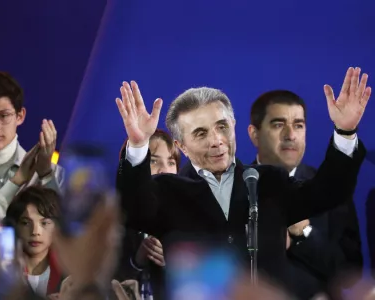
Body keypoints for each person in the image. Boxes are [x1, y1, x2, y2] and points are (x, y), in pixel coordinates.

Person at [115, 67, 369, 298]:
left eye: (222, 126)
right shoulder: (167, 191)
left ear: (234, 126)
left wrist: (345, 133)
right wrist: (138, 145)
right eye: (201, 133)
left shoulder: (268, 181)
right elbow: (132, 210)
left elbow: (328, 193)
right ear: (181, 146)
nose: (217, 140)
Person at [247, 90, 363, 299]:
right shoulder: (233, 188)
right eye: (278, 124)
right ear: (254, 134)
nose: (290, 135)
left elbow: (349, 273)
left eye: (298, 125)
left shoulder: (333, 189)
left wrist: (305, 233)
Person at [0, 71, 64, 220]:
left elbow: (65, 233)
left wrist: (45, 175)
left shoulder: (53, 175)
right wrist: (17, 180)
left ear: (20, 116)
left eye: (3, 116)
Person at [117, 129, 181, 299]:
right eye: (154, 161)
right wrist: (137, 261)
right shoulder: (115, 224)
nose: (164, 170)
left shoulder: (188, 222)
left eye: (171, 162)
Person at [5, 186, 65, 298]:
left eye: (44, 223)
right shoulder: (2, 274)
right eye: (26, 223)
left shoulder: (69, 274)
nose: (35, 232)